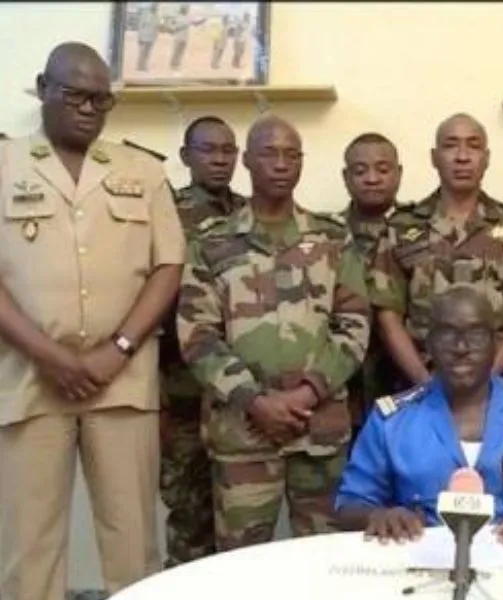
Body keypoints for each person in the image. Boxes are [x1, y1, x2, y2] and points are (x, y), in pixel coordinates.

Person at [0, 42, 185, 599]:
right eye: (75, 95)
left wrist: (118, 348)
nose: (88, 109)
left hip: (121, 381)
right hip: (29, 380)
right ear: (43, 87)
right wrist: (52, 356)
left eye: (101, 100)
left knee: (134, 546)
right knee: (28, 549)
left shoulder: (143, 171)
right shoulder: (5, 165)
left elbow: (168, 265)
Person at [177, 114, 370, 551]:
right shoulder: (212, 242)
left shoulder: (332, 239)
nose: (281, 164)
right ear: (247, 160)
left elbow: (354, 324)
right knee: (240, 564)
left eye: (291, 155)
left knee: (327, 559)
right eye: (269, 153)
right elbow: (197, 334)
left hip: (318, 432)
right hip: (242, 432)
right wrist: (256, 400)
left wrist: (307, 393)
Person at [335, 286, 503, 544]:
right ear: (430, 344)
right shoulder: (391, 421)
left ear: (495, 342)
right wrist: (378, 516)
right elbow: (350, 504)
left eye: (476, 334)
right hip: (422, 562)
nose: (461, 347)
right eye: (447, 334)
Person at [369, 113, 503, 389]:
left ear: (486, 158)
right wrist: (424, 384)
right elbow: (387, 315)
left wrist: (486, 381)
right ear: (434, 157)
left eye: (473, 146)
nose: (462, 157)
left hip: (497, 384)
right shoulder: (401, 228)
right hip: (419, 383)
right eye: (451, 145)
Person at [159, 115, 247, 568]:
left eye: (228, 151)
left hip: (242, 389)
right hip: (183, 390)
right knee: (189, 510)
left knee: (240, 515)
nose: (219, 160)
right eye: (208, 150)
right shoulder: (165, 213)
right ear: (185, 156)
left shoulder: (253, 212)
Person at [340, 132, 404, 433]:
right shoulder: (324, 235)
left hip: (407, 376)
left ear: (399, 173)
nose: (372, 179)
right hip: (344, 385)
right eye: (360, 170)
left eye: (383, 169)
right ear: (345, 177)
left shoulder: (420, 230)